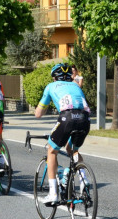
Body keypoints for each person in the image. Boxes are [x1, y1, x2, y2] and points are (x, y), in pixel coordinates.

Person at [35, 63, 91, 205]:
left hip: (67, 118)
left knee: (52, 150)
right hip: (85, 119)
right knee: (72, 150)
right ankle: (84, 179)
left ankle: (53, 193)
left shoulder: (50, 86)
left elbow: (38, 114)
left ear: (55, 77)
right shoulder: (76, 85)